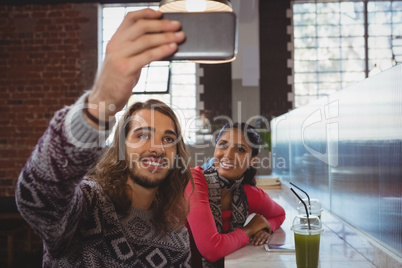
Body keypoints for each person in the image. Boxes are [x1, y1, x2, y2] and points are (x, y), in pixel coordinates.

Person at [15, 8, 193, 267]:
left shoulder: (176, 238)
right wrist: (100, 104)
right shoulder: (88, 205)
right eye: (143, 134)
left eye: (169, 139)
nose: (156, 148)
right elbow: (37, 198)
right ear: (121, 146)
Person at [185, 123, 286, 268]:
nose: (228, 155)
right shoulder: (193, 181)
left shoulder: (249, 194)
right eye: (223, 145)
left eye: (240, 149)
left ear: (253, 160)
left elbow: (279, 214)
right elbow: (212, 250)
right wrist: (250, 229)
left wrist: (266, 227)